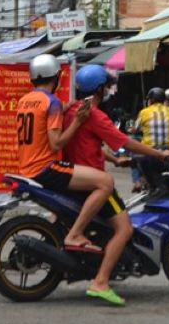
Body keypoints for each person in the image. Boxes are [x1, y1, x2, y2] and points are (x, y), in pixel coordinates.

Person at [17, 54, 132, 306]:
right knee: (106, 182)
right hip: (46, 168)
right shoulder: (54, 103)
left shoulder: (26, 101)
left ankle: (74, 239)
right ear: (56, 77)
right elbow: (57, 142)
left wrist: (69, 111)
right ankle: (76, 236)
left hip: (26, 167)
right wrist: (77, 120)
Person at [60, 65, 169, 305]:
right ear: (100, 89)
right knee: (125, 229)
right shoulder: (95, 115)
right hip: (92, 181)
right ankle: (101, 281)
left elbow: (88, 144)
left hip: (76, 176)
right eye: (106, 87)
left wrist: (115, 159)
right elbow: (124, 140)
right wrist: (158, 154)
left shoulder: (73, 110)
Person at [131, 87, 169, 192]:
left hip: (149, 152)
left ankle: (137, 182)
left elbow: (134, 130)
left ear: (150, 100)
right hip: (168, 152)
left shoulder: (144, 112)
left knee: (133, 158)